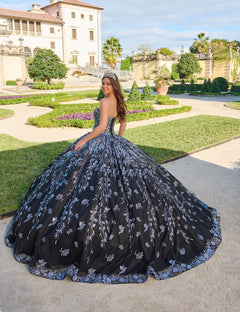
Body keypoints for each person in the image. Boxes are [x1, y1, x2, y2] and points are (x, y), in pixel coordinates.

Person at [5, 71, 221, 284]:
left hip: (99, 141)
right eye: (103, 83)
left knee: (83, 185)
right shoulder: (118, 100)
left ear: (114, 85)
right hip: (114, 142)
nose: (105, 87)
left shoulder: (104, 101)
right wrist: (119, 141)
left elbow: (100, 128)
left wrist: (83, 141)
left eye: (108, 84)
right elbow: (123, 122)